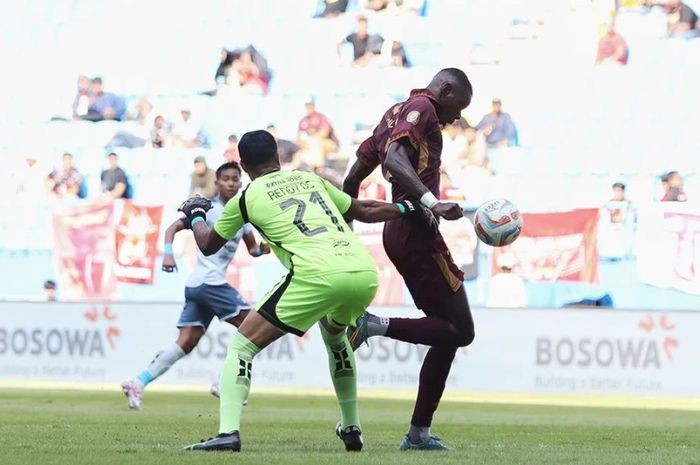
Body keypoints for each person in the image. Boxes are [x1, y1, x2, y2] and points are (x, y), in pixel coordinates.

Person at [180, 130, 434, 452]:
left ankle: (228, 432)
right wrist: (407, 209)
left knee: (242, 346)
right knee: (335, 336)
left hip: (316, 275)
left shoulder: (246, 197)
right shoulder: (310, 180)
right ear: (277, 157)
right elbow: (365, 211)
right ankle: (351, 426)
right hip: (362, 272)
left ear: (243, 166)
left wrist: (196, 215)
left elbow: (207, 245)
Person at [342, 68, 474, 451]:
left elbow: (354, 177)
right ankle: (371, 324)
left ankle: (418, 433)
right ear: (445, 90)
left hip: (401, 228)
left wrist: (344, 224)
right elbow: (396, 161)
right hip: (415, 228)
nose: (454, 119)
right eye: (457, 107)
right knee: (461, 330)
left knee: (446, 332)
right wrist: (433, 202)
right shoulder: (423, 108)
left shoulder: (394, 114)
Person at [121, 162, 270, 410]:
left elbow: (252, 249)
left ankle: (138, 382)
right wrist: (168, 254)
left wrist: (262, 249)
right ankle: (222, 382)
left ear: (241, 183)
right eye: (226, 179)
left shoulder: (241, 215)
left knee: (186, 342)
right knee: (254, 327)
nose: (231, 183)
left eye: (235, 179)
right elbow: (172, 228)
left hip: (198, 286)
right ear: (217, 183)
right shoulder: (208, 210)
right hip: (209, 282)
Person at [296, 99, 339, 169]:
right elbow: (298, 138)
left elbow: (324, 133)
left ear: (314, 107)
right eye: (307, 106)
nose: (308, 108)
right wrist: (304, 142)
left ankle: (319, 168)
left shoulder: (321, 117)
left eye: (310, 106)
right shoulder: (303, 120)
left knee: (316, 144)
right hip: (308, 146)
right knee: (299, 154)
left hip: (327, 143)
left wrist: (311, 140)